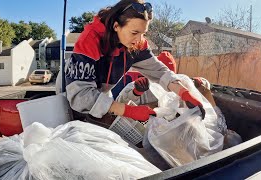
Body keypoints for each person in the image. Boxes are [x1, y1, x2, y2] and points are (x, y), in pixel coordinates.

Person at [64, 0, 205, 122]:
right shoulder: (90, 40)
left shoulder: (136, 45)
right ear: (116, 26)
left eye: (143, 33)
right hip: (73, 94)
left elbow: (160, 72)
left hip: (102, 95)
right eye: (134, 32)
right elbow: (80, 96)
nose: (139, 39)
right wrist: (130, 111)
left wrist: (185, 93)